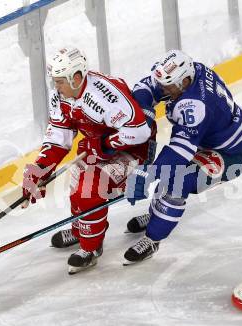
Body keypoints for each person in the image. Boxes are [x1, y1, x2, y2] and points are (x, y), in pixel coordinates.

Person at [22, 46, 156, 274]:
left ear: (76, 78)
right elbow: (58, 137)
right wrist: (40, 169)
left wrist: (105, 144)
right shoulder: (61, 97)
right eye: (54, 81)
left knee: (89, 189)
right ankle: (81, 228)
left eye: (60, 81)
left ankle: (91, 249)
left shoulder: (104, 95)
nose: (56, 87)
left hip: (133, 150)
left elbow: (140, 131)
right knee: (77, 185)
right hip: (96, 147)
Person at [123, 49, 242, 264]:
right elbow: (146, 86)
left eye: (168, 86)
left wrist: (147, 173)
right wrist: (145, 109)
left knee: (177, 181)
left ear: (184, 81)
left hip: (229, 154)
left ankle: (153, 239)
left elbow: (179, 151)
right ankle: (156, 215)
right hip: (207, 140)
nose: (163, 89)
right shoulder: (191, 71)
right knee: (169, 176)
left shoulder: (195, 105)